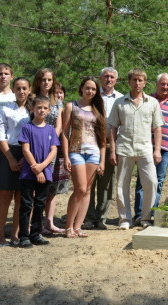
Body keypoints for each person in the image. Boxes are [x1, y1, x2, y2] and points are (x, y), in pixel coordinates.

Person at [108, 68, 164, 229]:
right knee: (121, 185)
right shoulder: (120, 103)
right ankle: (125, 219)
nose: (137, 83)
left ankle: (145, 218)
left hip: (145, 148)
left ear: (145, 83)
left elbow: (158, 127)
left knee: (152, 182)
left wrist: (157, 150)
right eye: (134, 80)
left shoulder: (152, 103)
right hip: (124, 148)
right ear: (129, 82)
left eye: (140, 80)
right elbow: (112, 128)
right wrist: (112, 150)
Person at [133, 73, 168, 225]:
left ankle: (150, 214)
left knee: (159, 181)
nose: (165, 87)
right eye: (162, 84)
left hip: (165, 148)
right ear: (156, 84)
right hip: (145, 146)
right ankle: (139, 214)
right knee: (143, 181)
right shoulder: (147, 99)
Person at [62, 77, 107, 238]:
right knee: (80, 188)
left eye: (94, 89)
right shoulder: (71, 106)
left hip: (94, 153)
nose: (90, 91)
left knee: (87, 190)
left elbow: (102, 138)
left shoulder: (98, 109)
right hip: (76, 151)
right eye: (87, 88)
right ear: (81, 88)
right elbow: (65, 133)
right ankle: (68, 227)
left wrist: (102, 160)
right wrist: (66, 156)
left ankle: (78, 227)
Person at [18, 95, 59, 248]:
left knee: (40, 203)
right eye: (38, 107)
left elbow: (53, 150)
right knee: (26, 204)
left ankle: (36, 233)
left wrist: (42, 167)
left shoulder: (50, 130)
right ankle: (24, 235)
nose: (41, 110)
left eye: (44, 108)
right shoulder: (27, 128)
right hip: (29, 173)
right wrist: (36, 168)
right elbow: (26, 150)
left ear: (49, 110)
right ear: (32, 109)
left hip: (45, 172)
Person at [0, 77, 31, 247]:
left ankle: (15, 235)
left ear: (29, 90)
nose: (21, 91)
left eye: (24, 88)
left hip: (28, 154)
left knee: (21, 197)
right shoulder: (5, 109)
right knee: (5, 196)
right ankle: (0, 236)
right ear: (14, 90)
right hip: (9, 152)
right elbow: (0, 134)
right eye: (18, 88)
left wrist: (26, 157)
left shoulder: (32, 110)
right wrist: (10, 159)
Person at [85, 67, 123, 230]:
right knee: (89, 182)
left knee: (106, 183)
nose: (109, 79)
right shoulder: (93, 94)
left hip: (110, 144)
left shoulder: (121, 98)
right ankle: (88, 217)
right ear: (101, 79)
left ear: (116, 80)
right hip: (91, 143)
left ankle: (102, 217)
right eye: (106, 76)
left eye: (112, 77)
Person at [32, 68, 66, 235]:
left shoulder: (57, 100)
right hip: (33, 147)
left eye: (49, 80)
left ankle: (49, 222)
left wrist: (51, 141)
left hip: (52, 147)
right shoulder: (31, 98)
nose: (46, 82)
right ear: (38, 81)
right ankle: (34, 225)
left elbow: (59, 125)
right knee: (34, 187)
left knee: (51, 187)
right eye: (43, 79)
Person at [42, 82, 70, 235]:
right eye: (56, 92)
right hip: (43, 148)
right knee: (41, 188)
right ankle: (37, 222)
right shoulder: (45, 106)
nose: (59, 95)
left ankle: (50, 222)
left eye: (61, 92)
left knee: (54, 188)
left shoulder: (65, 108)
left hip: (59, 150)